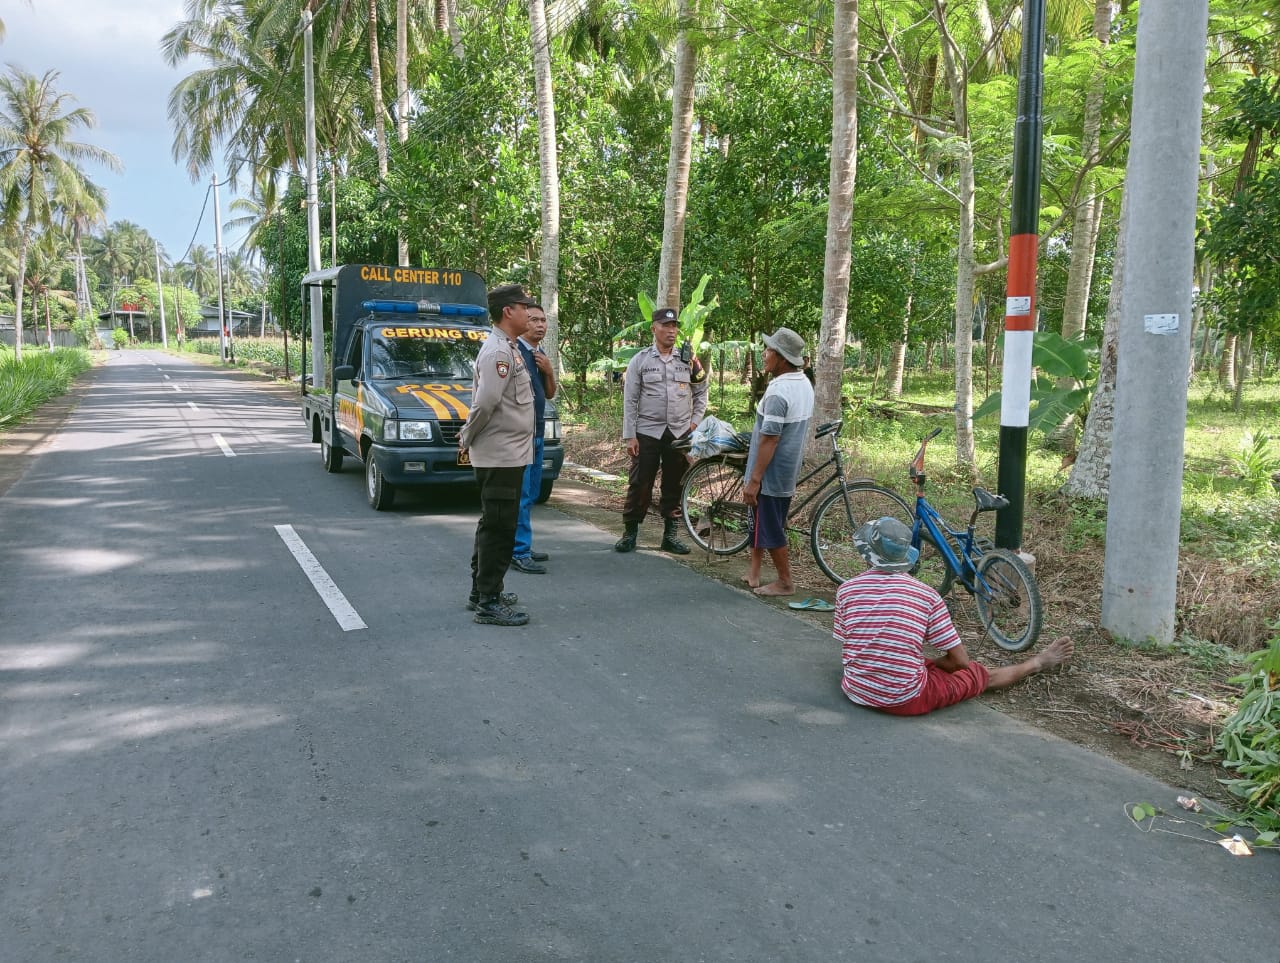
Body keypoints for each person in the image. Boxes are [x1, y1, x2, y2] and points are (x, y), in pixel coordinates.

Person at [836, 516, 1074, 715]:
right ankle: (1037, 663)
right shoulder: (926, 596)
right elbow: (960, 662)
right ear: (904, 556)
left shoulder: (846, 590)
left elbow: (854, 641)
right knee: (976, 673)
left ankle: (912, 673)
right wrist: (937, 666)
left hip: (856, 689)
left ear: (867, 553)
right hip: (905, 699)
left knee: (911, 661)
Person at [458, 284, 537, 626]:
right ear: (508, 312)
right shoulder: (497, 353)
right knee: (500, 528)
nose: (529, 314)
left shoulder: (510, 347)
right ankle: (488, 601)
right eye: (524, 308)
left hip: (509, 453)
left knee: (494, 523)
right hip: (500, 455)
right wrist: (467, 436)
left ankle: (483, 589)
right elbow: (486, 403)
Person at [615, 306, 708, 554]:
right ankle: (630, 533)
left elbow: (701, 392)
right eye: (666, 326)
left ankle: (670, 535)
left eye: (675, 326)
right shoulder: (641, 360)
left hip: (679, 431)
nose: (671, 330)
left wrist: (695, 423)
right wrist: (630, 435)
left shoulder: (688, 359)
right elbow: (630, 399)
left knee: (674, 484)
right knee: (640, 483)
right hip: (647, 432)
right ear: (653, 328)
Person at [742, 327, 814, 597]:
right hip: (787, 468)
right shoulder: (803, 382)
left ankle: (785, 581)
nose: (764, 354)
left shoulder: (777, 394)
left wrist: (755, 479)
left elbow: (769, 440)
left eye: (769, 350)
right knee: (765, 522)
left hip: (771, 472)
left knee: (771, 528)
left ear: (782, 358)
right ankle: (754, 572)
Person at [510, 303, 557, 574]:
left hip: (538, 433)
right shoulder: (515, 353)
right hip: (521, 436)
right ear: (522, 323)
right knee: (522, 494)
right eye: (534, 320)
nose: (540, 325)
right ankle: (519, 550)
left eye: (543, 320)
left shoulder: (540, 354)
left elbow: (548, 394)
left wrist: (549, 370)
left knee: (533, 494)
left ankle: (522, 545)